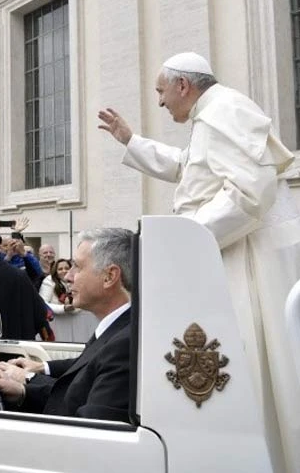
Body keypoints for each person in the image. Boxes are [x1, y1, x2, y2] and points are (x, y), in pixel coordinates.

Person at [98, 51, 300, 470]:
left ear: (183, 86)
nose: (159, 101)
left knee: (248, 372)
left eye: (160, 91)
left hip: (243, 260)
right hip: (223, 256)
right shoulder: (210, 117)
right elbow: (189, 167)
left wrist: (187, 242)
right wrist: (131, 142)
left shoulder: (226, 109)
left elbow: (249, 193)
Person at [0, 228, 134, 422]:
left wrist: (28, 379)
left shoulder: (123, 344)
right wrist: (24, 389)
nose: (68, 276)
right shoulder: (117, 330)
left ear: (109, 276)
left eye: (78, 267)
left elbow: (89, 429)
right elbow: (79, 386)